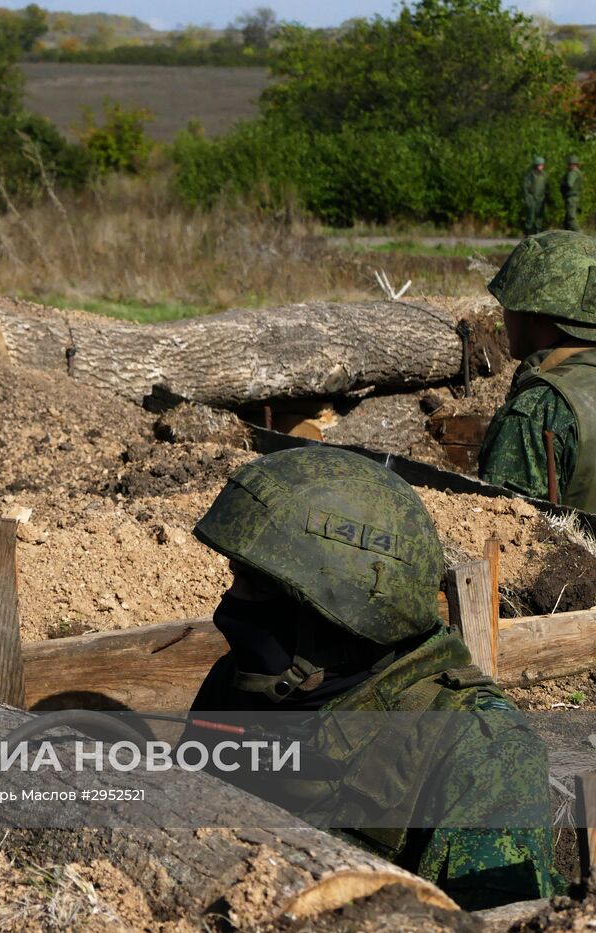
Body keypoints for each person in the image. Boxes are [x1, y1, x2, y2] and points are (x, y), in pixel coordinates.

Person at [187, 446, 561, 910]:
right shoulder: (244, 684)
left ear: (347, 612)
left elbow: (504, 919)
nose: (230, 607)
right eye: (236, 577)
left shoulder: (481, 747)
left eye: (258, 586)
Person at [477, 230, 596, 509]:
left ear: (534, 314)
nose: (505, 316)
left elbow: (500, 537)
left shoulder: (537, 412)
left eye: (511, 305)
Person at [522, 155, 547, 237]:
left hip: (541, 199)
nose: (542, 167)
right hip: (532, 199)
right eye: (540, 165)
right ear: (536, 165)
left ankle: (538, 233)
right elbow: (526, 187)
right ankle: (527, 234)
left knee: (539, 218)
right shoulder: (530, 176)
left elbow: (547, 187)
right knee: (530, 217)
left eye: (542, 165)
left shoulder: (544, 175)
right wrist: (528, 198)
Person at [563, 154, 583, 232]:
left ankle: (581, 235)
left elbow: (569, 184)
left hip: (571, 197)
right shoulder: (578, 172)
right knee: (567, 219)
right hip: (575, 197)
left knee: (571, 218)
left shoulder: (572, 173)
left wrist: (564, 183)